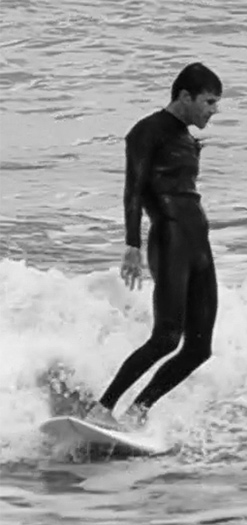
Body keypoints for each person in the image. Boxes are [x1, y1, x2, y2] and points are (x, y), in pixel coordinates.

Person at [88, 63, 223, 429]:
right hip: (171, 239)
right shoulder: (146, 132)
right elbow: (133, 190)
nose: (214, 110)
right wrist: (131, 244)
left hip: (198, 244)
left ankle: (137, 412)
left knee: (199, 349)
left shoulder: (185, 137)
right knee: (166, 337)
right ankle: (102, 409)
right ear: (185, 96)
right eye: (209, 102)